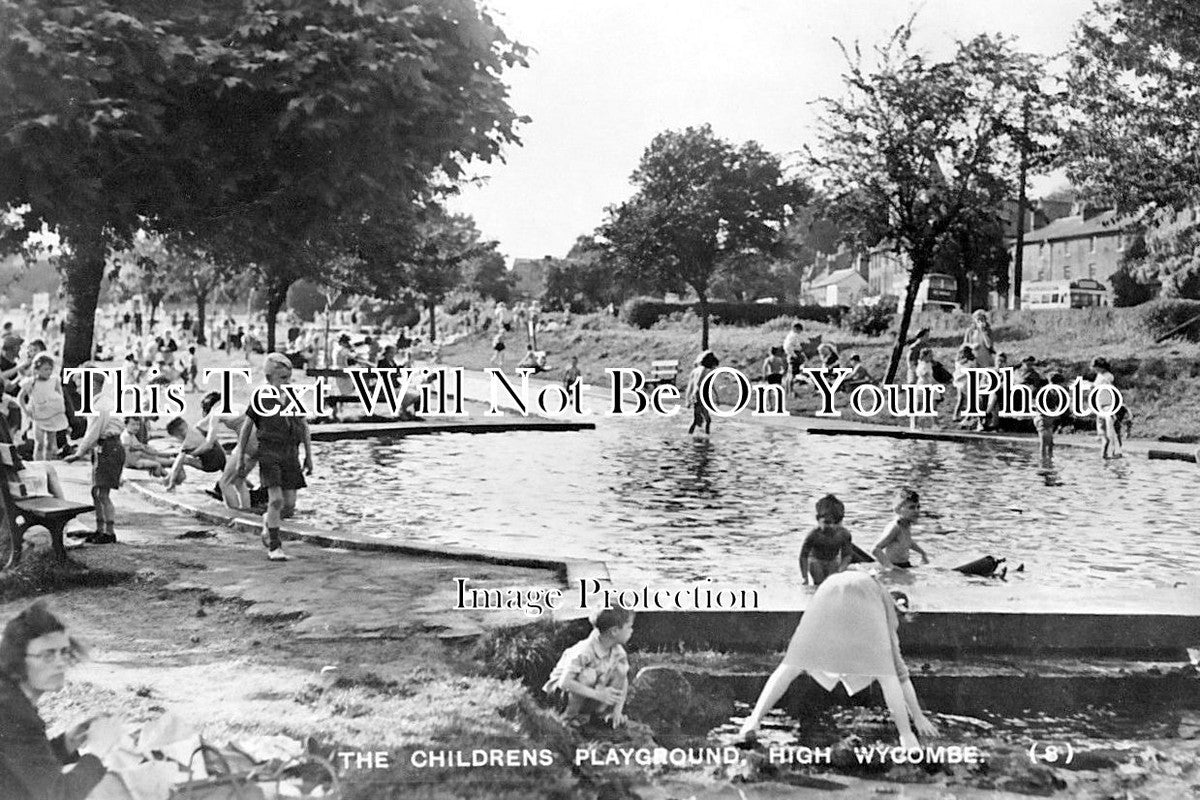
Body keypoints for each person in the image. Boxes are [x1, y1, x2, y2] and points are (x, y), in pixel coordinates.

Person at [737, 572, 937, 749]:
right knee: (887, 674)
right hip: (852, 591)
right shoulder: (885, 612)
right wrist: (917, 718)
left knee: (791, 665)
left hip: (827, 590)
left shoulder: (871, 589)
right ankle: (906, 738)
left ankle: (753, 721)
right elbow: (900, 676)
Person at [0, 602, 112, 800]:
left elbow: (24, 765)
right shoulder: (13, 711)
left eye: (64, 652)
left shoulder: (9, 698)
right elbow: (60, 795)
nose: (61, 663)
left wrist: (67, 743)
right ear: (16, 658)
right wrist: (100, 753)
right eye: (47, 655)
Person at [237, 353, 314, 561]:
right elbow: (246, 429)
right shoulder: (261, 398)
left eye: (289, 377)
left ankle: (267, 521)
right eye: (282, 378)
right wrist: (239, 459)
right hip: (269, 452)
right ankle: (274, 545)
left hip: (290, 453)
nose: (287, 382)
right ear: (270, 378)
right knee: (276, 500)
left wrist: (308, 455)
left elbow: (303, 426)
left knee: (289, 505)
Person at [542, 606, 634, 728]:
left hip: (589, 694)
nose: (632, 631)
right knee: (588, 675)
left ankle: (599, 715)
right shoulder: (584, 650)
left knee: (621, 671)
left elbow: (623, 680)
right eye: (629, 627)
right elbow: (564, 682)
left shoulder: (618, 651)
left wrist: (617, 711)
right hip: (560, 696)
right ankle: (567, 718)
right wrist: (599, 695)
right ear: (614, 631)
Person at [64, 371, 124, 545]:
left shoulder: (100, 405)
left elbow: (94, 432)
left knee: (102, 492)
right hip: (103, 447)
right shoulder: (97, 403)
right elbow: (92, 433)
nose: (78, 390)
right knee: (96, 491)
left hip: (109, 448)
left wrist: (78, 453)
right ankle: (100, 529)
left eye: (81, 385)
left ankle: (109, 533)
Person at [18, 354, 68, 462]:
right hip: (38, 416)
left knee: (50, 443)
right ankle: (38, 465)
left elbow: (60, 396)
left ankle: (47, 464)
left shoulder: (54, 380)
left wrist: (59, 411)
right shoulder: (31, 382)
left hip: (51, 415)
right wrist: (26, 411)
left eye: (50, 369)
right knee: (39, 443)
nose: (48, 372)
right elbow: (20, 397)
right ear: (37, 369)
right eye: (45, 369)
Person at [162, 409, 227, 491]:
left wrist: (171, 482)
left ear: (177, 435)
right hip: (222, 459)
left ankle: (171, 481)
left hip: (210, 465)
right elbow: (214, 442)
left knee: (180, 459)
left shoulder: (186, 444)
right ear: (185, 424)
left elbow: (178, 463)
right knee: (211, 441)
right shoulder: (198, 427)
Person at [799, 494, 854, 586]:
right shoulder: (814, 535)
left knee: (832, 582)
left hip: (833, 560)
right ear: (818, 519)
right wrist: (805, 578)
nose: (831, 526)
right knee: (819, 579)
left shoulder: (844, 534)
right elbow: (803, 556)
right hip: (816, 559)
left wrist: (841, 569)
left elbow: (847, 555)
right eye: (827, 523)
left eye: (836, 523)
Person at [872, 488, 929, 570]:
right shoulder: (895, 527)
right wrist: (890, 566)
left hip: (905, 564)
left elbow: (907, 541)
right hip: (894, 566)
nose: (917, 511)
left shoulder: (906, 524)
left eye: (918, 507)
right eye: (912, 507)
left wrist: (922, 552)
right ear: (898, 510)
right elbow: (875, 549)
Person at [1092, 357, 1122, 459]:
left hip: (1107, 405)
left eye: (1095, 367)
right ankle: (1105, 454)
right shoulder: (1099, 375)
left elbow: (1109, 386)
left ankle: (1114, 451)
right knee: (1103, 431)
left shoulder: (1108, 376)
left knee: (1111, 430)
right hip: (1100, 406)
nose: (1094, 369)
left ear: (1100, 367)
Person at [685, 350, 719, 435]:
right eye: (714, 366)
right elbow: (698, 383)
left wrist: (689, 398)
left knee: (697, 420)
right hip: (700, 396)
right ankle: (706, 436)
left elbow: (691, 385)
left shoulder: (697, 370)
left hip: (697, 396)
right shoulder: (704, 370)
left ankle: (691, 435)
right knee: (706, 420)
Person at [783, 323, 807, 395]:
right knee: (793, 374)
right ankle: (791, 391)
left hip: (793, 354)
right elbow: (788, 347)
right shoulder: (793, 336)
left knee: (790, 374)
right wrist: (794, 355)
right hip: (794, 355)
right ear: (796, 329)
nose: (800, 332)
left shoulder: (791, 336)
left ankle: (788, 391)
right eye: (799, 330)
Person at [761, 346, 787, 412]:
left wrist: (764, 375)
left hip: (771, 374)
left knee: (769, 391)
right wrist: (782, 373)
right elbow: (784, 367)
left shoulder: (768, 359)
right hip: (778, 375)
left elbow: (764, 367)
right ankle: (778, 405)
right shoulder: (779, 359)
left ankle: (770, 406)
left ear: (770, 352)